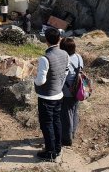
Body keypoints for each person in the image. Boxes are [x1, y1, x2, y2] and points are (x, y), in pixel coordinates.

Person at [34, 28, 68, 162]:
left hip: (46, 97)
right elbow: (65, 72)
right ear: (59, 39)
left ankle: (50, 152)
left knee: (47, 124)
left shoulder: (45, 58)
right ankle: (57, 148)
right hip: (58, 95)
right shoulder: (65, 54)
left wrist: (34, 81)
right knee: (56, 121)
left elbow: (41, 80)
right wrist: (58, 86)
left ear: (46, 40)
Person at [59, 38, 84, 147]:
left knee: (66, 115)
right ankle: (72, 133)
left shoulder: (64, 60)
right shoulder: (79, 57)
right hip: (78, 89)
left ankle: (67, 139)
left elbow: (62, 77)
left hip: (67, 91)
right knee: (74, 112)